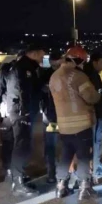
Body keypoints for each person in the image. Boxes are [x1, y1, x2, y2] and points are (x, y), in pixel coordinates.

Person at [0, 44, 45, 196]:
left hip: (11, 113)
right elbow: (20, 92)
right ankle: (17, 182)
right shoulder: (22, 69)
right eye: (41, 54)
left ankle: (13, 175)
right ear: (32, 53)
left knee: (13, 144)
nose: (42, 58)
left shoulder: (19, 68)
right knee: (21, 146)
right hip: (18, 113)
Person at [50, 48, 101, 200]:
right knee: (84, 155)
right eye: (83, 61)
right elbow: (91, 97)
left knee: (65, 155)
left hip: (63, 125)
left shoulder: (54, 76)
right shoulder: (78, 76)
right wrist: (99, 93)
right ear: (78, 60)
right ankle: (85, 189)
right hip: (81, 124)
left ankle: (61, 187)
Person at [83, 51, 102, 177]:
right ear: (95, 61)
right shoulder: (90, 74)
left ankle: (94, 164)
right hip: (94, 113)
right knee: (94, 141)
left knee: (94, 141)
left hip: (97, 112)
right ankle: (94, 166)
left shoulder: (92, 73)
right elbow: (93, 96)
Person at [40, 52, 64, 184]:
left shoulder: (66, 74)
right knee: (51, 146)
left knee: (66, 144)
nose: (56, 65)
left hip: (64, 116)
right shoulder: (45, 75)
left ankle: (64, 171)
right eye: (54, 62)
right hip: (51, 117)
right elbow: (41, 94)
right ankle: (51, 172)